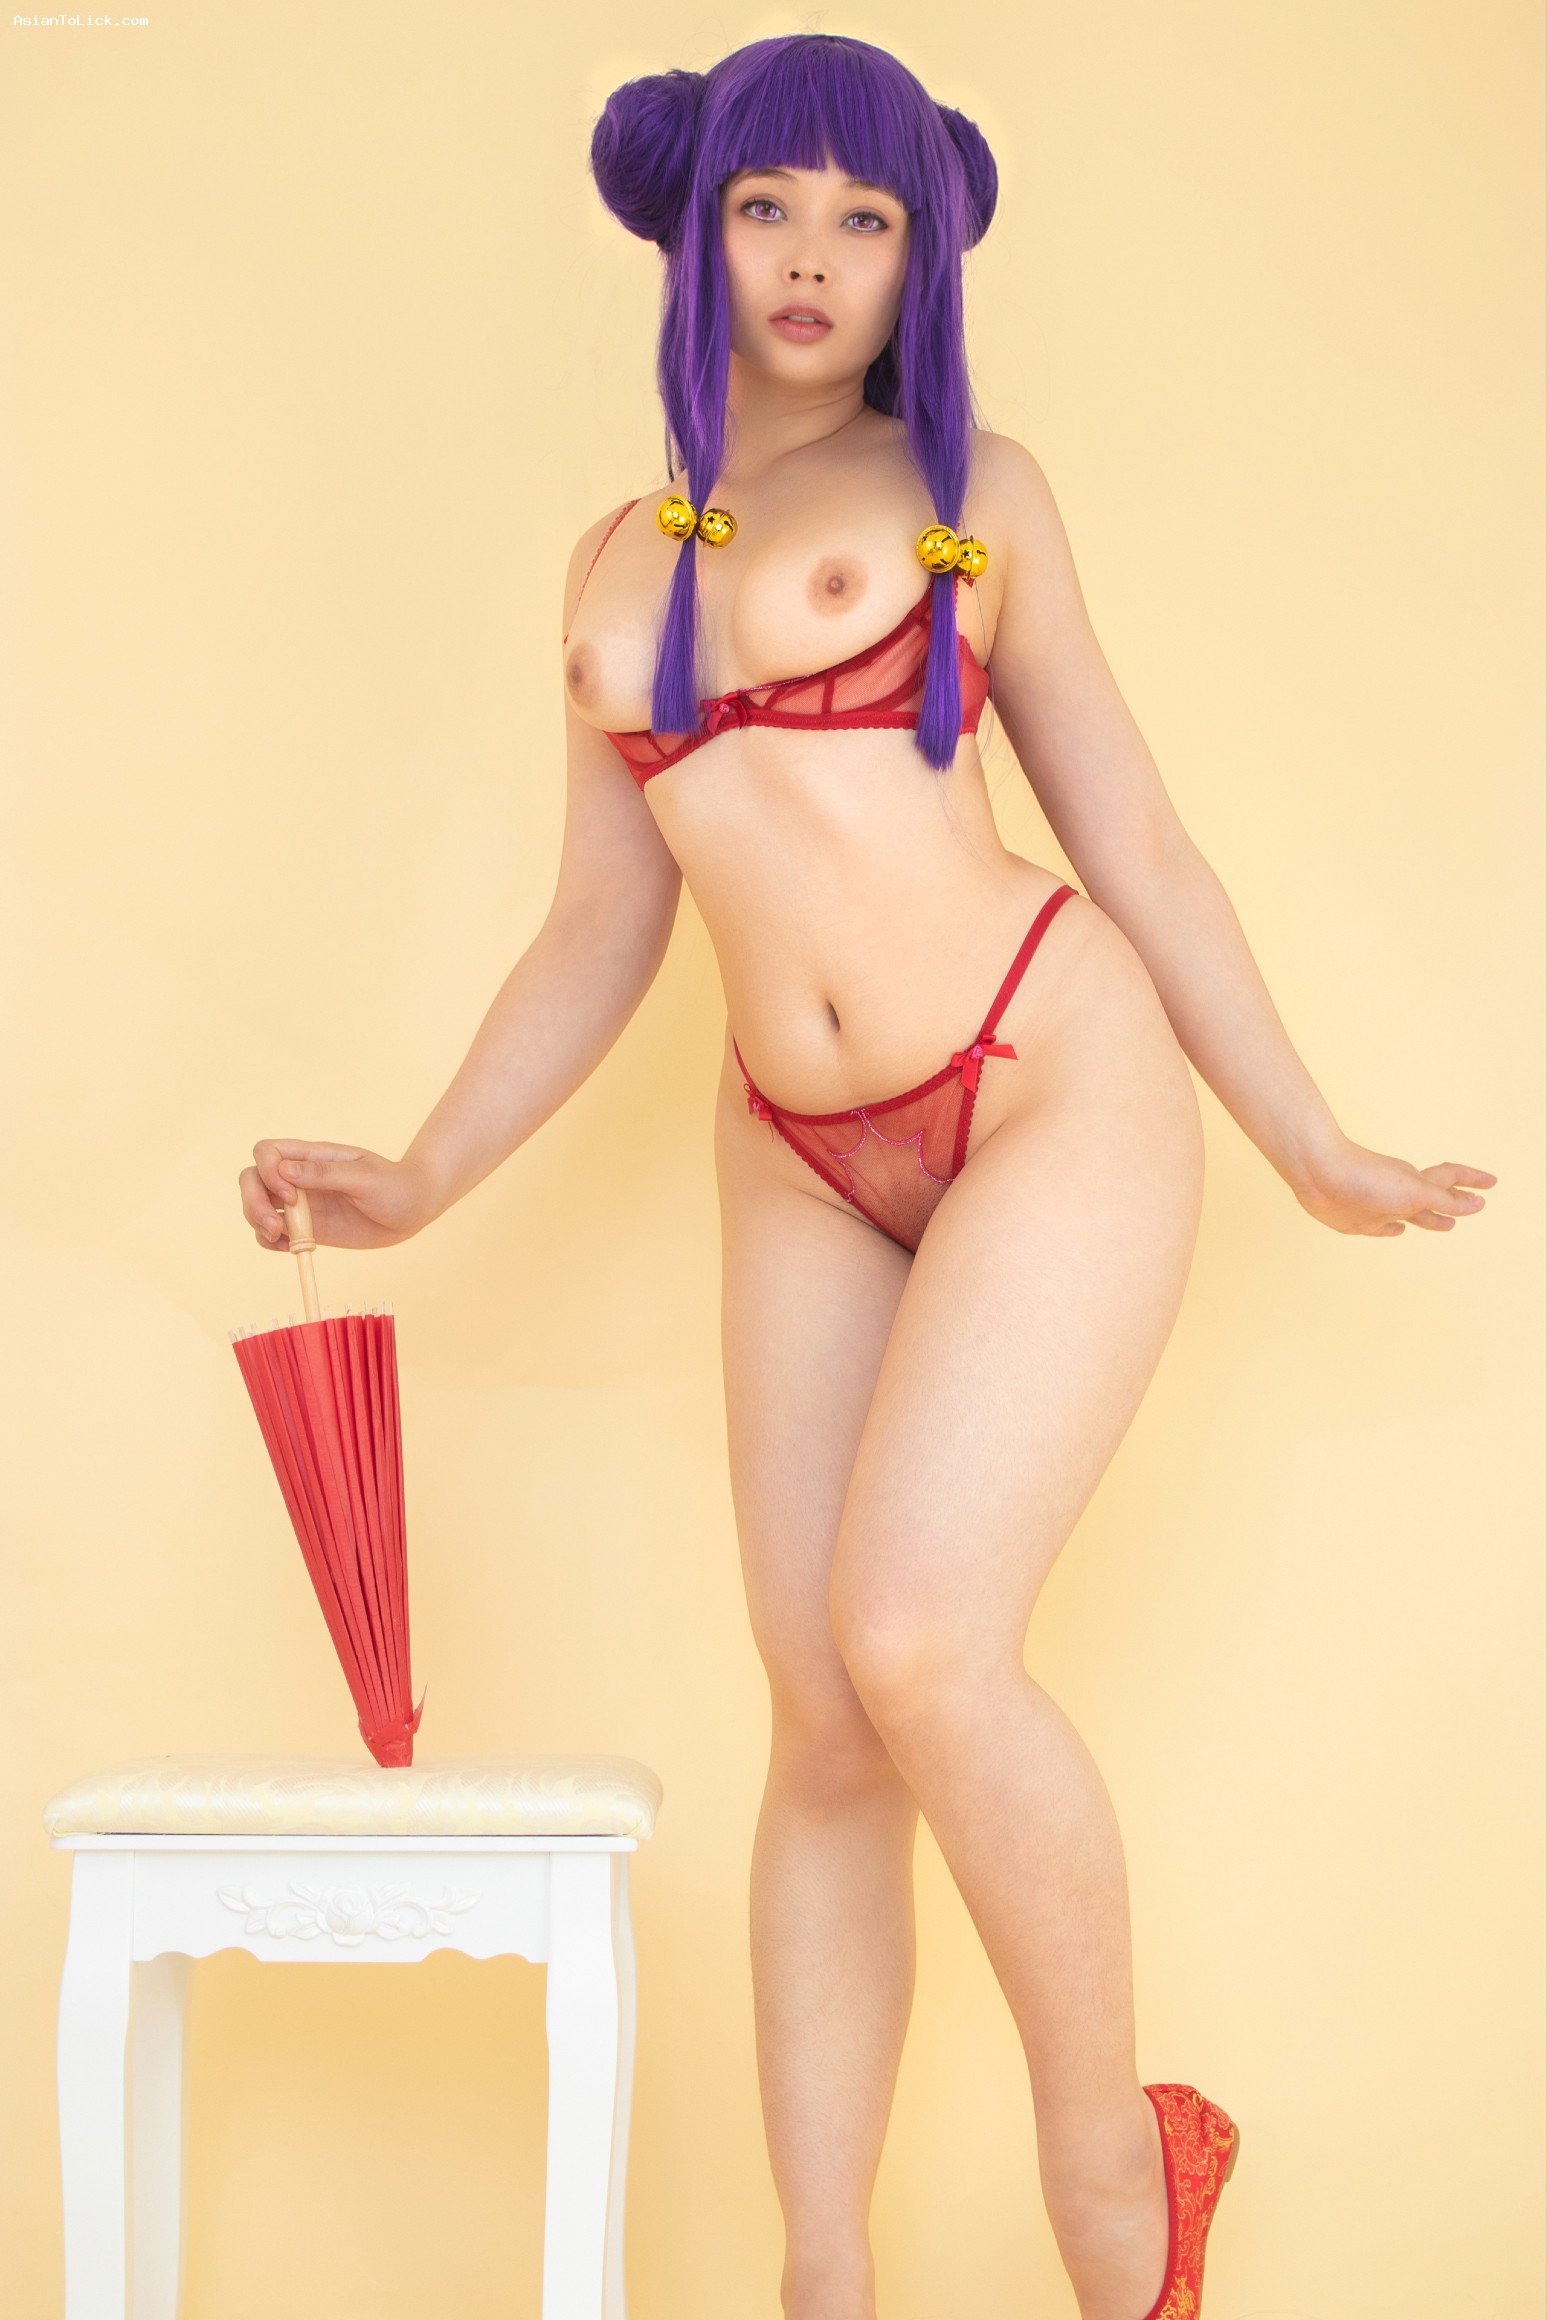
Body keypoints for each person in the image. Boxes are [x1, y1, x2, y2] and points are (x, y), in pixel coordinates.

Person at [237, 34, 1495, 2320]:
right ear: (692, 226)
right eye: (768, 206)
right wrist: (420, 1172)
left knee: (920, 1636)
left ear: (922, 256)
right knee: (822, 1710)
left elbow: (1140, 839)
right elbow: (602, 925)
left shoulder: (970, 487)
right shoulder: (612, 562)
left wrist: (1308, 1136)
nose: (813, 256)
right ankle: (826, 2278)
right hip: (793, 1146)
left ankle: (1117, 2178)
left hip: (1042, 1077)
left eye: (867, 216)